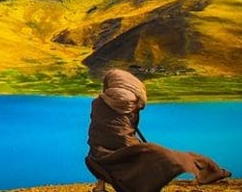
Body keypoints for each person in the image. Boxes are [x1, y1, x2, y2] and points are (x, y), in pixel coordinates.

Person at [85, 68, 231, 192]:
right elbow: (129, 130)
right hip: (123, 150)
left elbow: (99, 129)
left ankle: (100, 185)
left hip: (98, 155)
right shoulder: (132, 104)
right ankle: (210, 170)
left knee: (99, 154)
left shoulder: (97, 103)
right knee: (163, 155)